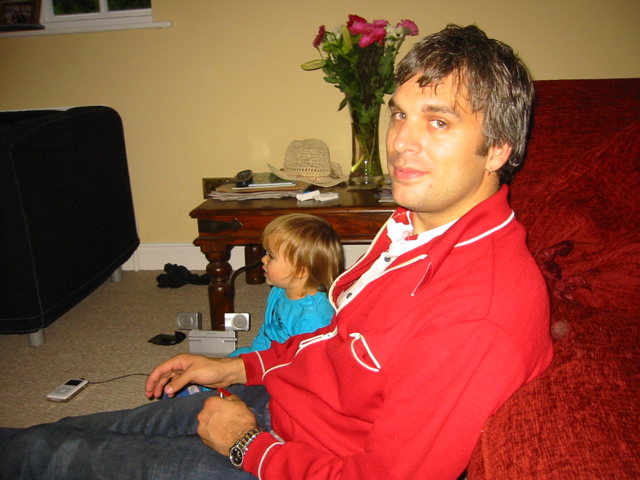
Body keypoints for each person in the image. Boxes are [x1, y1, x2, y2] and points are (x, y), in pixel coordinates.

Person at [0, 24, 554, 480]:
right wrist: (239, 366)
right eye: (400, 113)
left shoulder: (477, 310)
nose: (402, 142)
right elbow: (336, 346)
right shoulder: (415, 225)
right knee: (58, 435)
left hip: (291, 460)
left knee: (52, 459)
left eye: (438, 121)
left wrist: (247, 446)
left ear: (497, 150)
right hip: (283, 403)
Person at [229, 213, 342, 356]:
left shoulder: (314, 318)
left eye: (271, 256)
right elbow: (267, 331)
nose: (263, 259)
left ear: (300, 270)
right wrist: (254, 357)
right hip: (271, 354)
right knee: (236, 355)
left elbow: (308, 362)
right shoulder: (279, 290)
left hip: (290, 364)